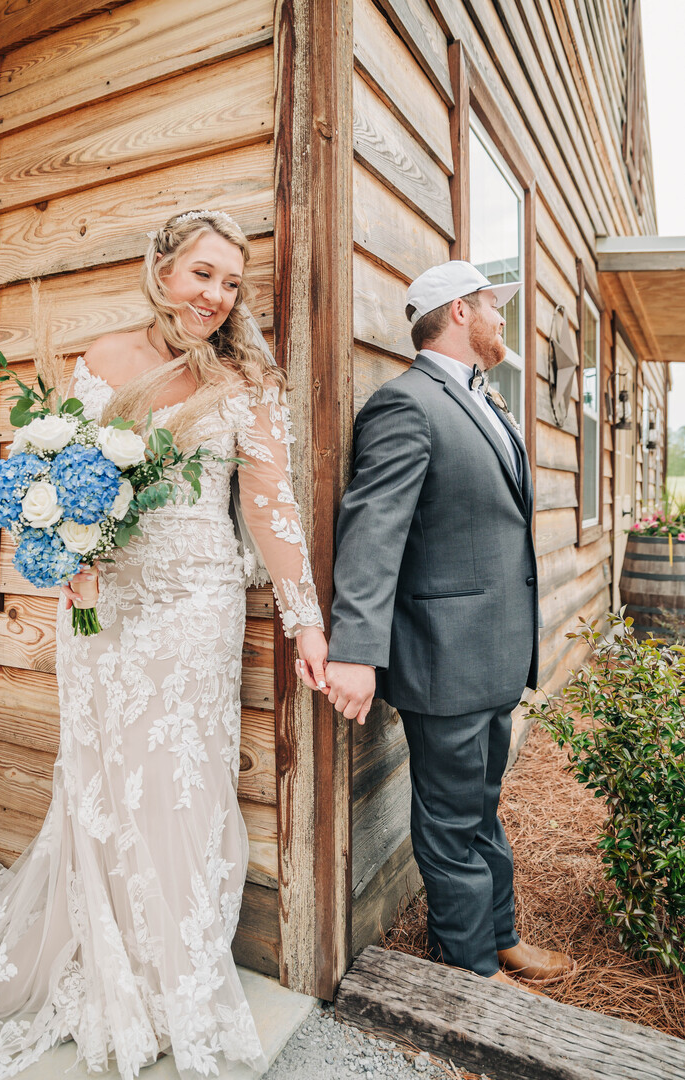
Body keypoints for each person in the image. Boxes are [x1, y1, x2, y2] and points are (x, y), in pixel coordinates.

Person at [0, 209, 328, 1079]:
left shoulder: (245, 379)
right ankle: (100, 950)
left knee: (178, 779)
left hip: (195, 603)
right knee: (100, 774)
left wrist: (305, 617)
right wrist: (70, 561)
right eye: (202, 273)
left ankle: (173, 976)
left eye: (231, 282)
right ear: (161, 270)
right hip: (105, 606)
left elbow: (269, 502)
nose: (216, 295)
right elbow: (57, 478)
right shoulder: (104, 357)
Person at [314, 261, 575, 989]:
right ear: (460, 310)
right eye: (494, 304)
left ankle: (501, 935)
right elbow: (372, 535)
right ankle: (470, 971)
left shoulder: (482, 399)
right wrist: (356, 651)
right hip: (444, 656)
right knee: (451, 822)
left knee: (480, 806)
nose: (502, 318)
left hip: (491, 653)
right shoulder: (406, 404)